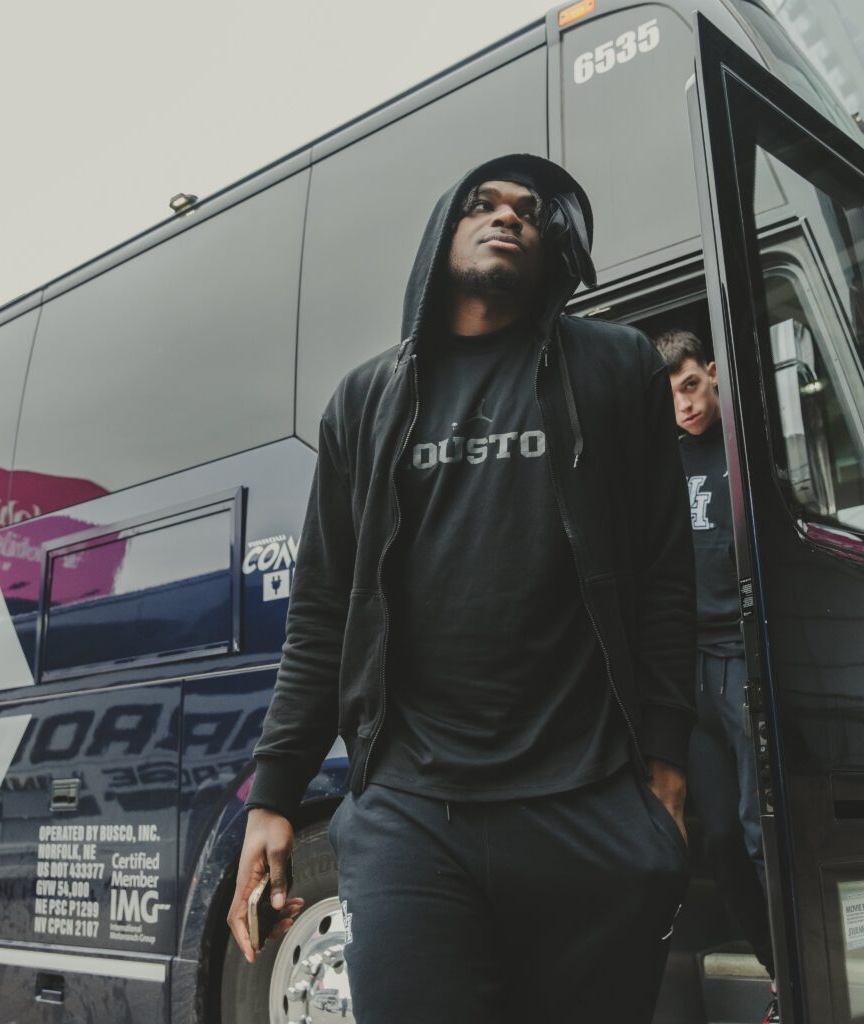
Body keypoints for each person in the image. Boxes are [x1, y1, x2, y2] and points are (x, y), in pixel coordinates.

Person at [229, 153, 696, 1023]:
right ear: (443, 230)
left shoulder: (618, 367)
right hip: (413, 814)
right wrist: (274, 796)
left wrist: (665, 770)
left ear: (552, 246)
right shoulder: (363, 402)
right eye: (484, 203)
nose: (509, 215)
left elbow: (667, 573)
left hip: (587, 804)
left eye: (529, 210)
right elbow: (324, 609)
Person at [652, 329, 778, 1024]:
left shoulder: (746, 454)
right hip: (688, 670)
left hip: (741, 660)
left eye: (693, 385)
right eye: (673, 394)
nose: (686, 404)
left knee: (760, 831)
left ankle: (798, 978)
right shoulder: (663, 466)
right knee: (722, 839)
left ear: (714, 376)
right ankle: (775, 964)